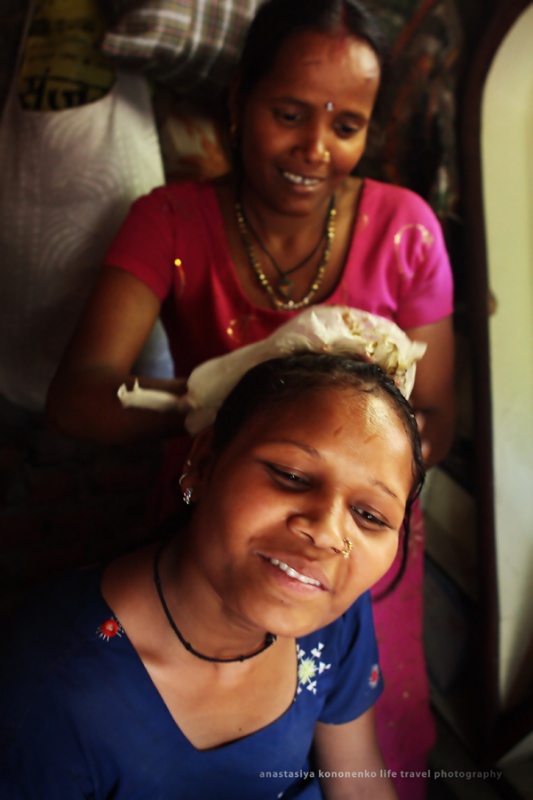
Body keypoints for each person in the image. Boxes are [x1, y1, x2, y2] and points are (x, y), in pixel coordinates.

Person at [45, 0, 455, 795]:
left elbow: (435, 418)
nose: (314, 148)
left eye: (345, 125)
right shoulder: (169, 221)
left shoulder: (405, 230)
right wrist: (233, 396)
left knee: (363, 746)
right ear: (238, 100)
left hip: (363, 549)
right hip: (227, 523)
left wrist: (362, 471)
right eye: (289, 114)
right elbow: (79, 398)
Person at [1, 353, 425, 800]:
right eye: (291, 475)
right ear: (204, 462)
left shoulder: (330, 611)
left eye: (370, 515)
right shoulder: (48, 691)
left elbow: (357, 783)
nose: (326, 534)